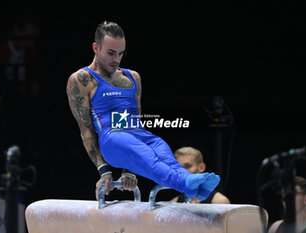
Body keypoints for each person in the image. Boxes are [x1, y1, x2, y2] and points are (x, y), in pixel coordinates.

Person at [66, 21, 220, 200]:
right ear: (95, 47)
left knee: (160, 147)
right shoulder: (82, 79)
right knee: (146, 154)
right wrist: (104, 171)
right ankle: (183, 183)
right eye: (111, 53)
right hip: (112, 139)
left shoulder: (133, 77)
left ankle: (193, 185)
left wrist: (128, 171)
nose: (116, 59)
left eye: (121, 53)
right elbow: (86, 131)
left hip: (136, 134)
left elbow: (135, 123)